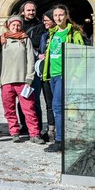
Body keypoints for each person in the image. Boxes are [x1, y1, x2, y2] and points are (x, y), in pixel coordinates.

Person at [0, 15, 45, 144]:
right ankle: (14, 132)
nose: (16, 27)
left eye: (18, 25)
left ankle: (34, 134)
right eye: (13, 25)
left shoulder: (25, 39)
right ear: (9, 25)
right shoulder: (2, 40)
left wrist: (29, 77)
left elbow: (30, 60)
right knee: (9, 109)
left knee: (29, 109)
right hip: (7, 80)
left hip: (23, 81)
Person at [42, 5, 85, 153]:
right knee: (59, 108)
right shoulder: (52, 33)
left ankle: (60, 141)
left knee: (58, 107)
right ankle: (64, 138)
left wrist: (75, 76)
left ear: (66, 15)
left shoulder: (73, 33)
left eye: (61, 15)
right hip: (53, 75)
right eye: (56, 15)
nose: (58, 18)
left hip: (64, 74)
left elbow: (83, 57)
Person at [18, 1, 45, 137]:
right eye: (28, 10)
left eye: (33, 10)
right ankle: (24, 125)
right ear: (23, 11)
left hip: (33, 65)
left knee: (33, 98)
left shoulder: (40, 26)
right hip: (19, 66)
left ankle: (37, 127)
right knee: (21, 97)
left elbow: (37, 43)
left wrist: (25, 40)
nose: (31, 12)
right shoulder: (18, 25)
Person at [38, 10, 56, 139]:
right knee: (49, 104)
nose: (44, 23)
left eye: (46, 20)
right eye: (43, 20)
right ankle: (51, 130)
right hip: (46, 72)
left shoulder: (61, 35)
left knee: (60, 104)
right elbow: (41, 50)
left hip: (58, 73)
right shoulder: (45, 36)